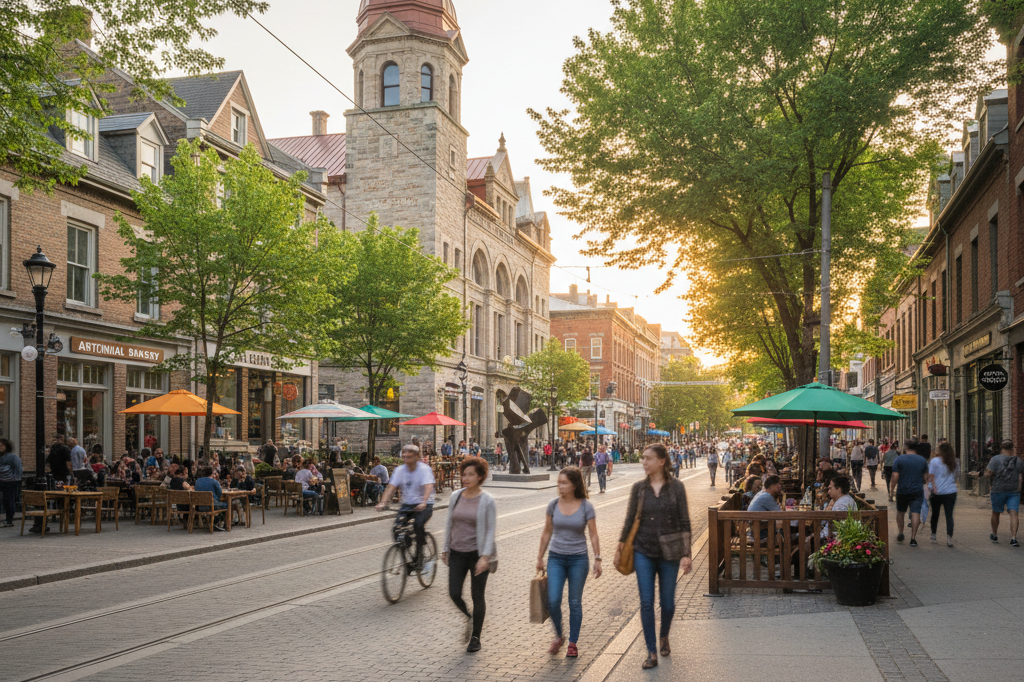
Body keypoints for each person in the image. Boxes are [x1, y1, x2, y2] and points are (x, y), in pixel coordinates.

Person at [615, 444, 691, 669]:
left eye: (648, 458)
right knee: (646, 602)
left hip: (670, 553)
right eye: (643, 459)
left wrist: (686, 554)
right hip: (643, 550)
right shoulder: (639, 488)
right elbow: (630, 519)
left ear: (661, 461)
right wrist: (620, 546)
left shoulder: (677, 487)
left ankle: (664, 634)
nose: (644, 462)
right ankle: (651, 651)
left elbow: (685, 521)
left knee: (667, 604)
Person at [536, 466, 601, 659]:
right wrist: (540, 557)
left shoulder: (586, 506)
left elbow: (593, 534)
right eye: (559, 483)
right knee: (553, 601)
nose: (560, 486)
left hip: (578, 559)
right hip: (556, 557)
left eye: (564, 483)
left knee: (574, 602)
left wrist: (598, 558)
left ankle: (572, 642)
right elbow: (547, 531)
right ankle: (559, 635)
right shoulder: (553, 505)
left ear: (574, 485)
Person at [442, 456, 497, 654]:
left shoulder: (487, 500)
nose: (465, 478)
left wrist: (485, 557)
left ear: (480, 477)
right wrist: (445, 548)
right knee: (454, 593)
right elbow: (450, 522)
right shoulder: (456, 496)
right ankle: (469, 616)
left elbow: (491, 530)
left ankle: (475, 637)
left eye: (470, 475)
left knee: (477, 596)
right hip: (457, 552)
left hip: (477, 555)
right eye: (463, 474)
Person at [377, 444, 436, 566]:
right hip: (407, 504)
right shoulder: (399, 470)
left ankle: (419, 556)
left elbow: (428, 486)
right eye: (404, 456)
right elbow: (390, 487)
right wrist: (383, 502)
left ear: (416, 457)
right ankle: (406, 553)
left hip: (424, 504)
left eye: (409, 456)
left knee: (418, 525)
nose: (406, 459)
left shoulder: (424, 469)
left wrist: (424, 501)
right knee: (396, 529)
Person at [985, 439, 1024, 546]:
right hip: (1014, 491)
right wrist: (1018, 490)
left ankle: (994, 534)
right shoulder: (1019, 461)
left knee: (996, 512)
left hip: (998, 490)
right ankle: (1013, 538)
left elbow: (987, 474)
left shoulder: (995, 459)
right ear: (1012, 448)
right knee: (1014, 513)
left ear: (1002, 448)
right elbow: (1020, 478)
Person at [891, 439, 929, 547]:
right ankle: (913, 538)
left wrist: (891, 489)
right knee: (915, 513)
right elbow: (925, 476)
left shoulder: (899, 459)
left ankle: (901, 532)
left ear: (906, 447)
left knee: (900, 512)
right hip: (917, 491)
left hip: (902, 490)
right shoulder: (922, 460)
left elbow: (895, 476)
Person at [927, 441, 958, 547]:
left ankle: (933, 534)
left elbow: (931, 476)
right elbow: (956, 477)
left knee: (935, 514)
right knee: (949, 515)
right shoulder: (954, 461)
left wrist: (933, 487)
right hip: (951, 491)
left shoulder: (934, 461)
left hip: (937, 492)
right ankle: (949, 538)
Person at [193, 466, 227, 531]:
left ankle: (214, 521)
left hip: (200, 506)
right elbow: (219, 493)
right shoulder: (214, 481)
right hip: (212, 505)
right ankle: (221, 524)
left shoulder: (197, 481)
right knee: (227, 505)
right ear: (211, 473)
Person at [0, 438, 23, 527]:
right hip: (1, 481)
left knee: (8, 501)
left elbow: (19, 470)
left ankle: (9, 520)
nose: (0, 447)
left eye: (2, 445)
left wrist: (16, 480)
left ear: (6, 446)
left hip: (10, 482)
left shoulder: (12, 457)